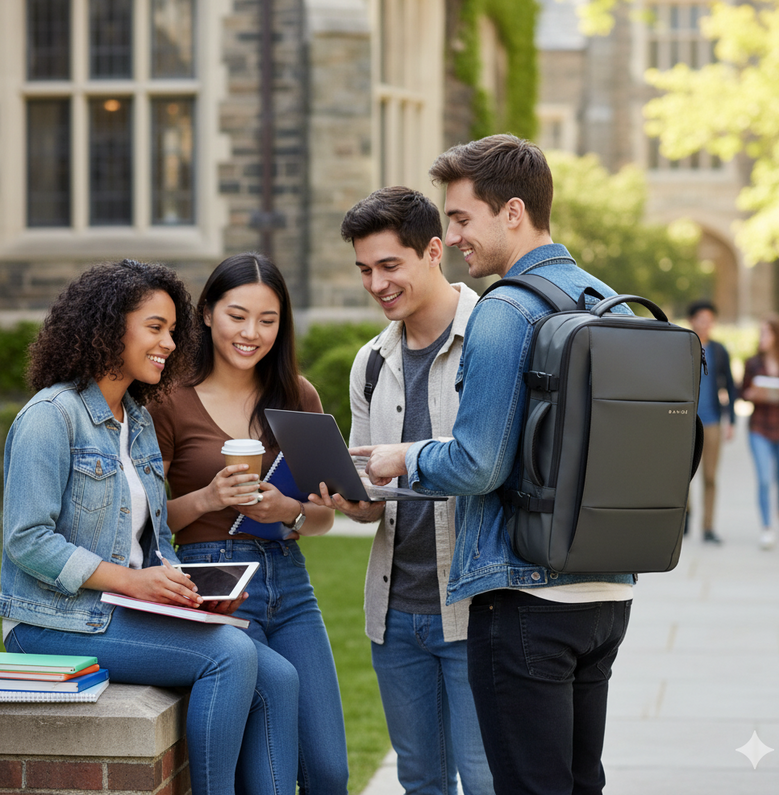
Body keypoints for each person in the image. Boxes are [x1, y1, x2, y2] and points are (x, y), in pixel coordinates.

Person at [352, 135, 635, 795]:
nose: (451, 239)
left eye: (460, 219)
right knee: (576, 782)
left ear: (512, 213)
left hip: (524, 594)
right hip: (606, 591)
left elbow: (479, 465)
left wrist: (406, 455)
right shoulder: (603, 297)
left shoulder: (506, 308)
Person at [0, 259, 293, 795]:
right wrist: (131, 581)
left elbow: (150, 541)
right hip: (54, 623)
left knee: (278, 676)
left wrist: (186, 591)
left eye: (172, 330)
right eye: (154, 328)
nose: (170, 343)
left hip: (121, 612)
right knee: (229, 656)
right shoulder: (51, 416)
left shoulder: (135, 421)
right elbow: (26, 540)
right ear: (110, 329)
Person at [312, 186, 492, 794]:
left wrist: (406, 462)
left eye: (390, 265)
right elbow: (371, 498)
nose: (376, 283)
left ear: (434, 250)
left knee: (487, 781)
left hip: (475, 612)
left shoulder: (494, 339)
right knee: (420, 782)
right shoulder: (371, 361)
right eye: (365, 269)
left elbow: (494, 469)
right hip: (395, 617)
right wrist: (350, 500)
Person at [148, 252, 348, 795]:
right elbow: (147, 520)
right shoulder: (168, 397)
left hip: (290, 583)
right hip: (214, 585)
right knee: (270, 775)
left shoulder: (297, 395)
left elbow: (325, 516)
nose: (251, 333)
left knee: (329, 771)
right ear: (208, 313)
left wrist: (290, 513)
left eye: (268, 319)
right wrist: (209, 497)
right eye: (238, 315)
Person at [740, 314, 779, 549]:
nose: (762, 337)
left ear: (777, 336)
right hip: (759, 428)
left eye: (766, 332)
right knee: (764, 480)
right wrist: (751, 394)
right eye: (761, 332)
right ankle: (767, 528)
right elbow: (742, 391)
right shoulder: (752, 363)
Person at [685, 299, 737, 544]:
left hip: (713, 420)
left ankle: (708, 527)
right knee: (682, 474)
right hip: (685, 421)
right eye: (701, 319)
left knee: (710, 476)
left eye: (710, 320)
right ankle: (685, 515)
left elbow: (729, 385)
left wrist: (732, 420)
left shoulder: (719, 350)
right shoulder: (683, 345)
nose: (706, 324)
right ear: (692, 321)